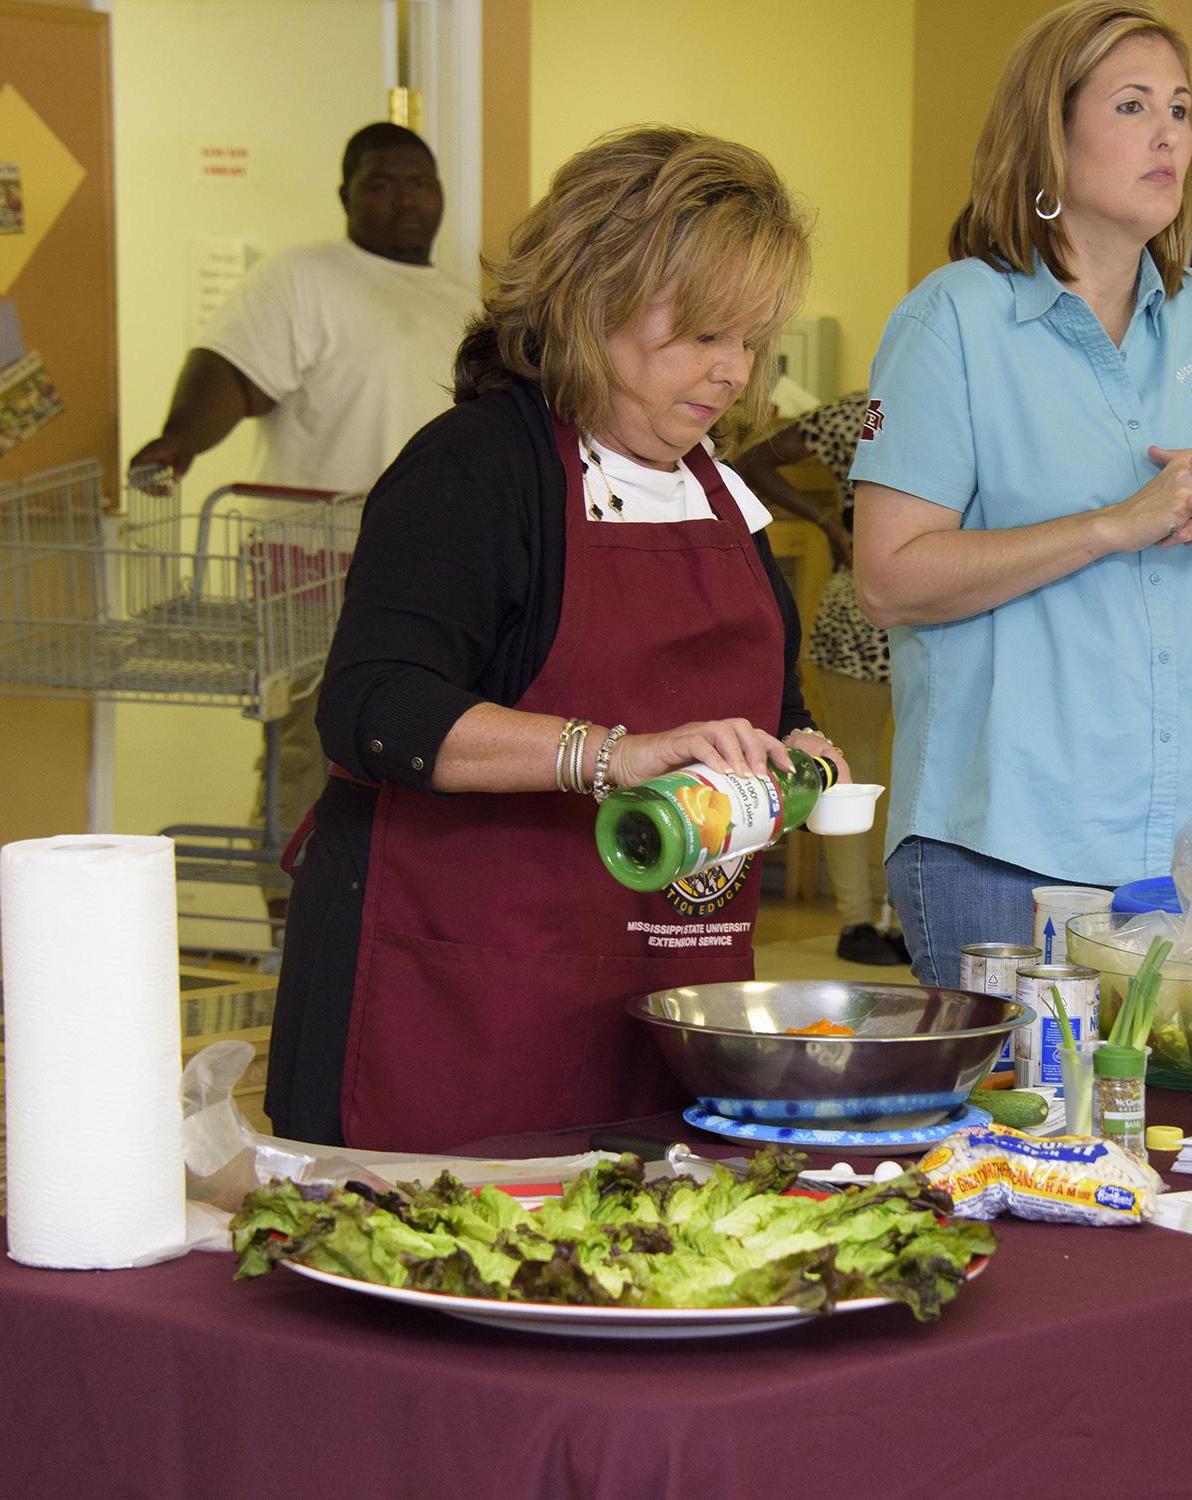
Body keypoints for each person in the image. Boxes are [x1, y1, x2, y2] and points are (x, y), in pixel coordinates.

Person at [264, 126, 843, 1150]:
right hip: (462, 998)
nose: (732, 375)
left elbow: (767, 705)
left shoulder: (717, 490)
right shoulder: (476, 470)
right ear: (594, 292)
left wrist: (796, 753)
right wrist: (610, 758)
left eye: (751, 340)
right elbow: (370, 709)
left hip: (667, 997)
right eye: (705, 333)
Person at [850, 1, 1192, 986]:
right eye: (1133, 105)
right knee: (1017, 1135)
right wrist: (1114, 524)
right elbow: (888, 581)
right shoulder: (952, 319)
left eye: (1181, 110)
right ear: (1047, 140)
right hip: (1006, 839)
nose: (1168, 136)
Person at [129, 122, 482, 891]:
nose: (404, 200)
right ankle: (297, 923)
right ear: (345, 194)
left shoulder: (466, 303)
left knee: (422, 739)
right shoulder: (302, 278)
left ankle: (384, 917)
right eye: (380, 184)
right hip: (311, 562)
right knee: (309, 747)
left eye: (419, 182)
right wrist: (179, 440)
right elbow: (232, 369)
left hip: (430, 566)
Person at [734, 392, 908, 965]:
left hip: (923, 607)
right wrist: (826, 521)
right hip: (867, 605)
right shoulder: (858, 411)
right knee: (856, 767)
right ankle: (858, 918)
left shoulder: (873, 409)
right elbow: (751, 461)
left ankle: (891, 915)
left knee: (901, 771)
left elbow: (754, 460)